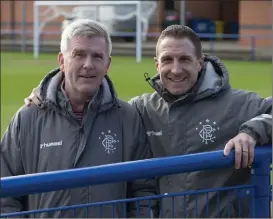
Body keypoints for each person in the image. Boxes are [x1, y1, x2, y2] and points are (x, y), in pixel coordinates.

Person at [24, 25, 272, 217]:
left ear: (200, 62)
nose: (175, 69)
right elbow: (97, 106)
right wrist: (48, 95)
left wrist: (251, 132)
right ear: (157, 64)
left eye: (184, 59)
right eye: (167, 60)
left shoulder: (237, 105)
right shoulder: (142, 108)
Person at [1, 19, 158, 218]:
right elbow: (5, 193)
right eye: (79, 55)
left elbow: (143, 191)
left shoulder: (128, 118)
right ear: (62, 61)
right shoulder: (28, 118)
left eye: (97, 56)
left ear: (107, 64)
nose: (88, 64)